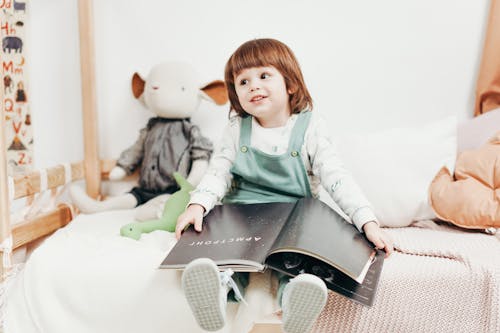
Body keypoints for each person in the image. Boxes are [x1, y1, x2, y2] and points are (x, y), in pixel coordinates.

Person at [176, 38, 393, 333]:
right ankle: (216, 290)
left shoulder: (310, 126)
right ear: (235, 94)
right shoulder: (236, 129)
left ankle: (294, 300)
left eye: (264, 76)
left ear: (290, 84)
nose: (253, 86)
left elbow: (336, 177)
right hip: (244, 214)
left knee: (295, 262)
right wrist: (197, 204)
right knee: (228, 254)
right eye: (243, 81)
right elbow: (218, 172)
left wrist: (367, 221)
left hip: (295, 217)